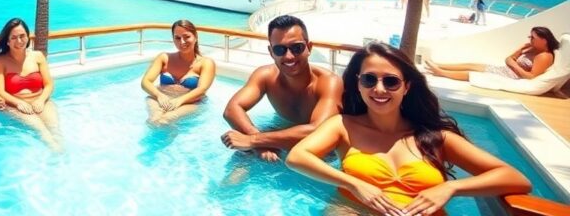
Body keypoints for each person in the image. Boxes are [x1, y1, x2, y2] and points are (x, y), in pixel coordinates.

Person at [286, 42, 531, 215]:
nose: (379, 89)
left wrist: (451, 188)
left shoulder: (436, 137)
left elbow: (516, 179)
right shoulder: (343, 126)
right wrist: (354, 184)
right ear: (358, 83)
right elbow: (297, 157)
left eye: (391, 81)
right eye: (369, 79)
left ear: (407, 87)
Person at [221, 15, 343, 162]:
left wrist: (253, 140)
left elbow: (319, 131)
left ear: (309, 48)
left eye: (296, 48)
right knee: (241, 157)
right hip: (279, 133)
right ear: (271, 52)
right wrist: (258, 143)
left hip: (320, 151)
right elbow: (232, 109)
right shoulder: (265, 76)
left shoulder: (328, 82)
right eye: (280, 50)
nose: (289, 56)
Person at [0, 17, 61, 150]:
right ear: (7, 41)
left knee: (55, 131)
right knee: (42, 132)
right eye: (14, 37)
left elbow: (49, 84)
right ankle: (55, 159)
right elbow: (0, 91)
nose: (19, 41)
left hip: (41, 101)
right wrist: (18, 103)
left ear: (28, 37)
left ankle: (63, 158)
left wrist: (41, 100)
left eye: (22, 36)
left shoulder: (37, 56)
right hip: (16, 106)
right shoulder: (0, 61)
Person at [140, 19, 215, 125]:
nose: (182, 42)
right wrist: (159, 95)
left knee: (164, 120)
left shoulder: (206, 63)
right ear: (173, 39)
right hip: (161, 99)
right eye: (177, 38)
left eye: (186, 37)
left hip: (190, 103)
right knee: (154, 120)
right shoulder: (164, 58)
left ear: (196, 37)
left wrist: (179, 101)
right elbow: (145, 82)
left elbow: (202, 90)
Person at [426, 26, 558, 81]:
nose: (530, 39)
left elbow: (531, 77)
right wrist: (521, 48)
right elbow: (508, 59)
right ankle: (439, 64)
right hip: (506, 69)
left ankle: (441, 72)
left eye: (533, 38)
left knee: (471, 73)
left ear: (544, 40)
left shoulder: (544, 56)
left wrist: (514, 64)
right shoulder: (533, 49)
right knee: (472, 64)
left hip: (511, 76)